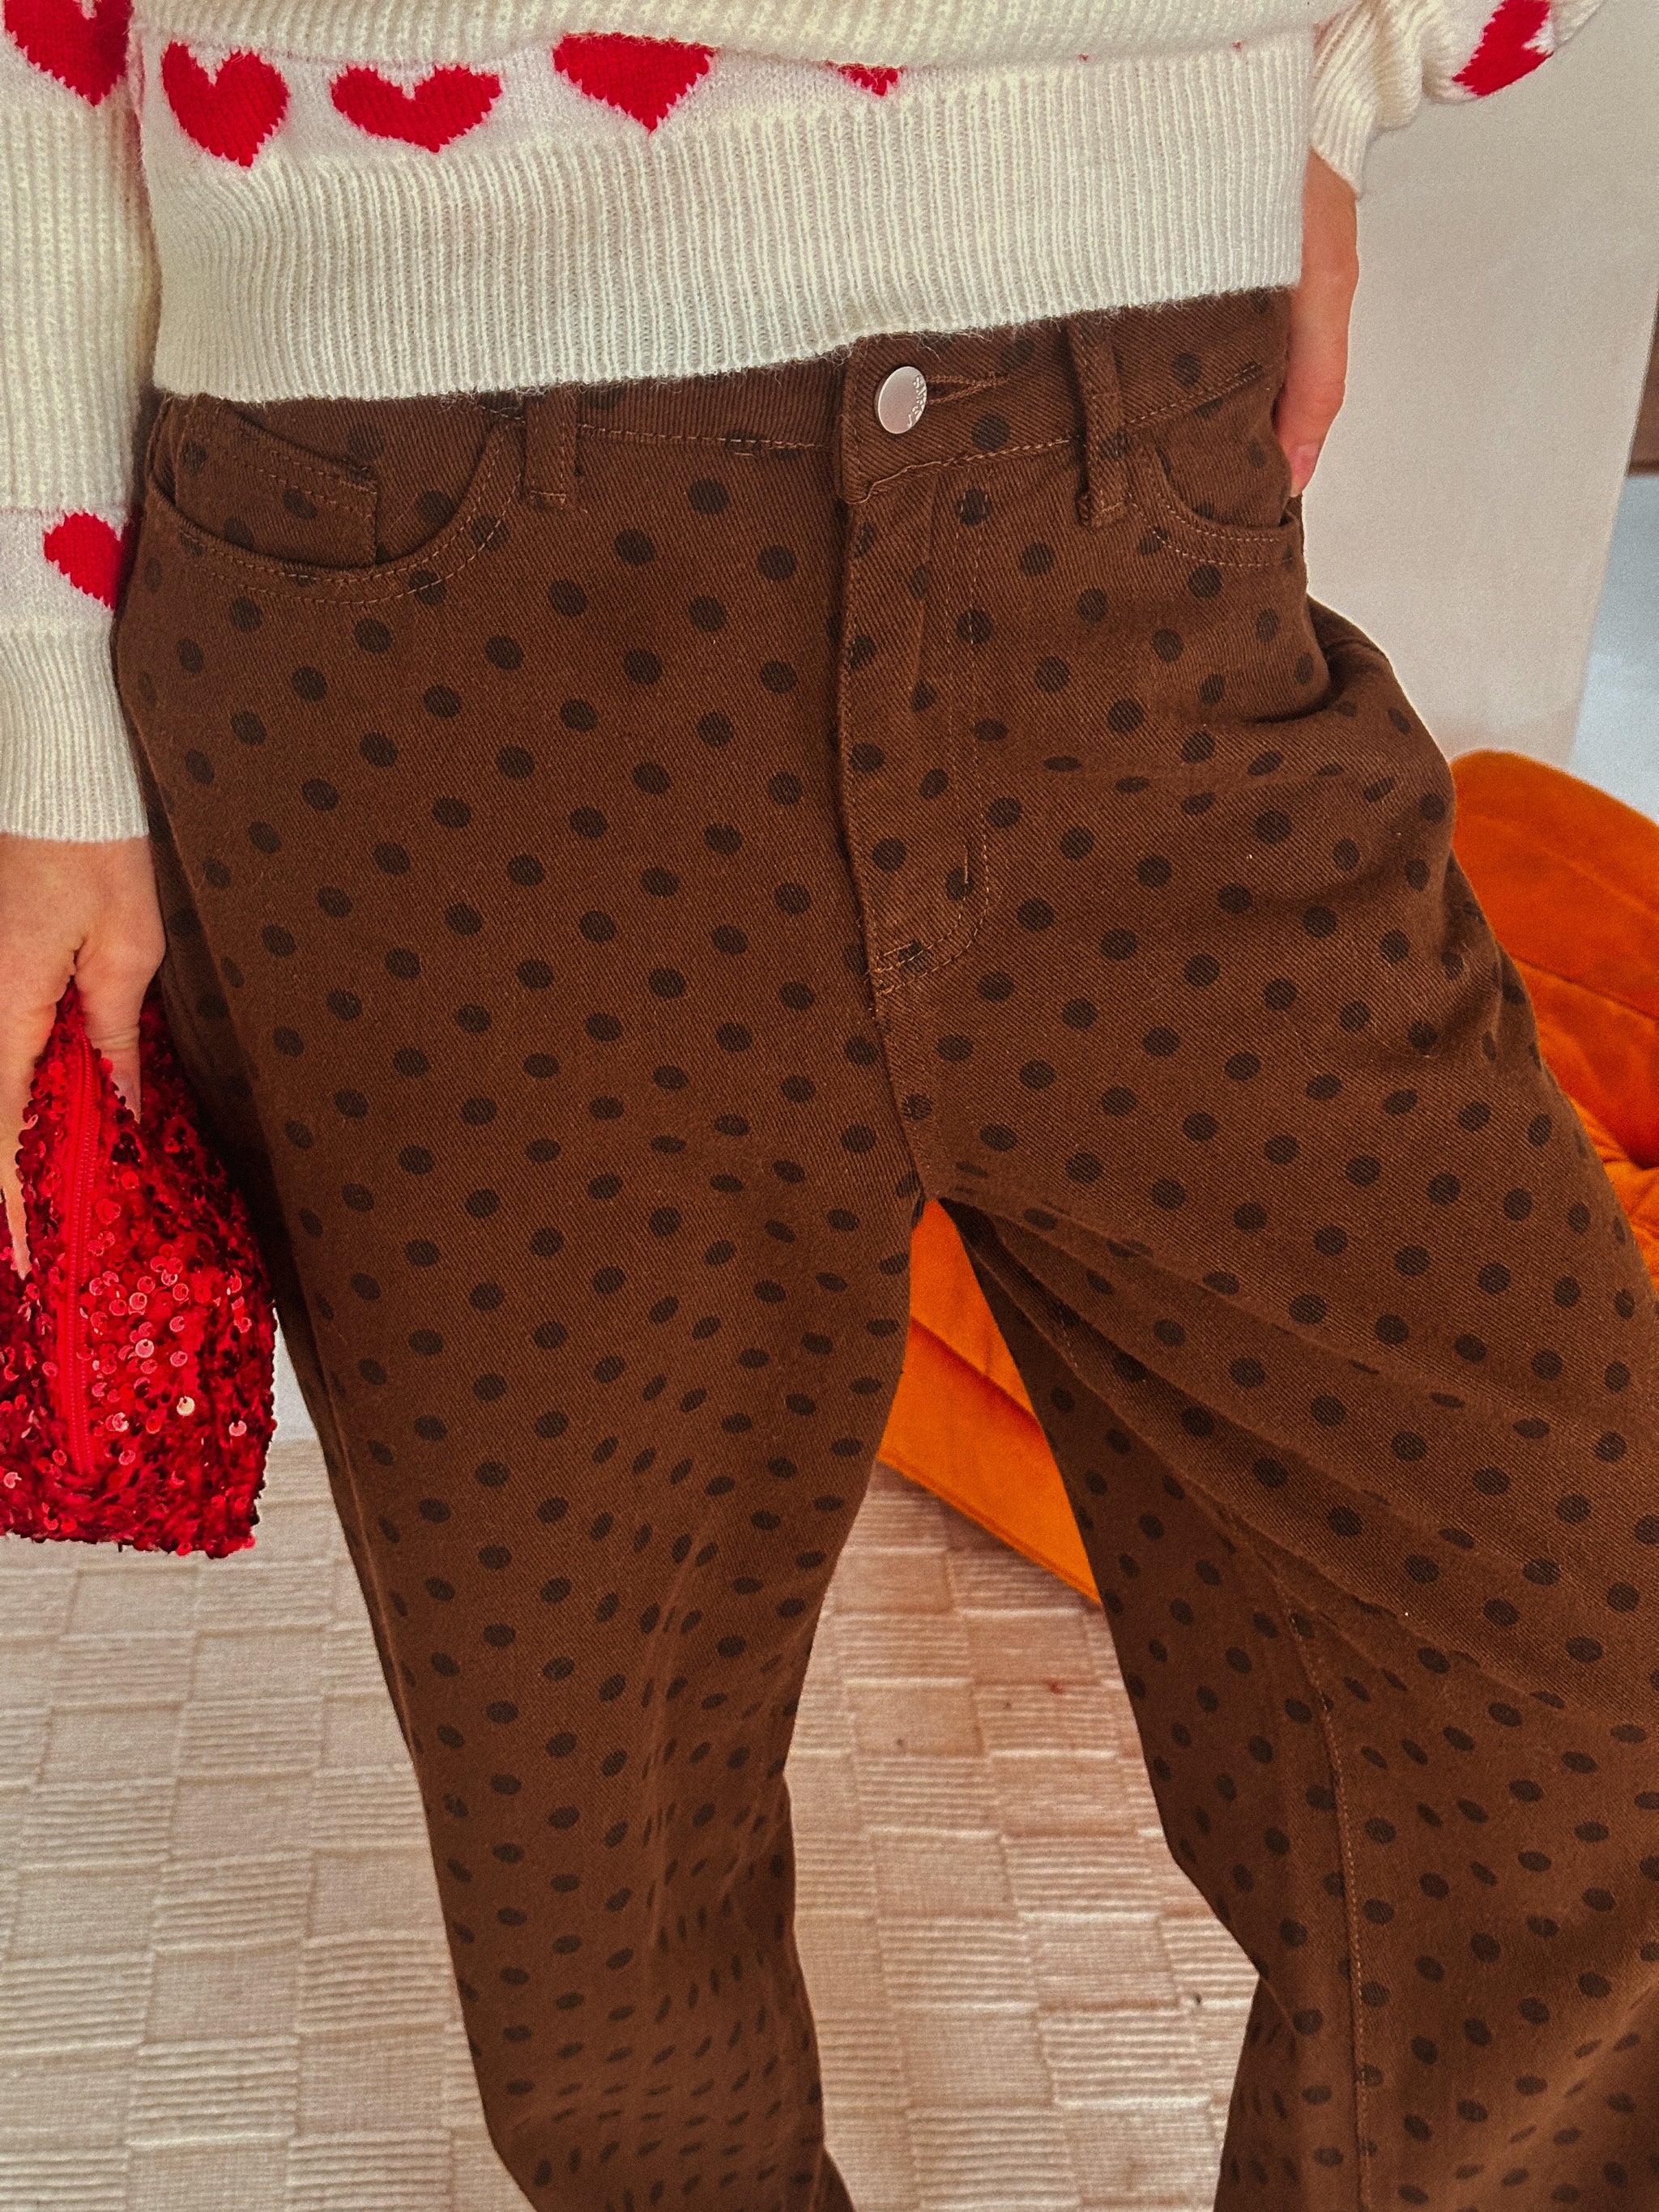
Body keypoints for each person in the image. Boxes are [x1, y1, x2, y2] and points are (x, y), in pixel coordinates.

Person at [4, 5, 1653, 2207]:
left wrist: (1339, 76)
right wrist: (41, 710)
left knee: (1573, 1673)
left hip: (1131, 516)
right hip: (438, 628)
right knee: (590, 1825)